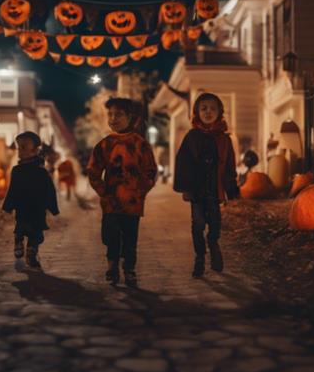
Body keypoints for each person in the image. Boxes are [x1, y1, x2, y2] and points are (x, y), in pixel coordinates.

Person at [86, 98, 157, 287]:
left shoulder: (140, 144)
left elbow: (150, 171)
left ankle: (129, 269)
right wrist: (103, 191)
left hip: (132, 202)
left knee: (130, 237)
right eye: (110, 114)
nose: (113, 118)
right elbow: (93, 170)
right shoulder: (105, 145)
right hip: (111, 201)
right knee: (111, 235)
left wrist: (140, 190)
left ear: (130, 118)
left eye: (118, 114)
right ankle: (112, 265)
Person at [173, 92, 239, 278]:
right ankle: (200, 257)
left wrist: (231, 186)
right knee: (198, 224)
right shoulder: (192, 136)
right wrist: (186, 185)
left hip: (214, 189)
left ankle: (213, 243)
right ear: (196, 112)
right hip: (197, 191)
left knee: (215, 224)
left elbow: (229, 165)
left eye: (212, 108)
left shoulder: (224, 139)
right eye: (204, 108)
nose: (208, 112)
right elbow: (183, 161)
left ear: (219, 112)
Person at [2, 131, 60, 269]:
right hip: (22, 208)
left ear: (35, 150)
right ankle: (18, 241)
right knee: (21, 227)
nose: (20, 151)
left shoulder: (41, 172)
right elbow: (13, 190)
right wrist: (8, 206)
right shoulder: (17, 170)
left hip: (38, 209)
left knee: (36, 233)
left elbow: (49, 191)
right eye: (19, 147)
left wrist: (53, 207)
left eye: (24, 147)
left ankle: (31, 254)